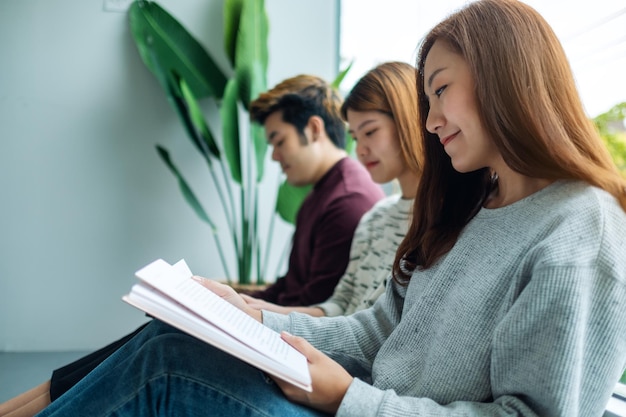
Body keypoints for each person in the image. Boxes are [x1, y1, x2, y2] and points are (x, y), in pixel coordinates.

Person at [24, 0, 626, 415]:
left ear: (509, 79)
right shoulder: (470, 208)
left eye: (440, 89)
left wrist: (349, 399)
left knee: (166, 366)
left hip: (358, 407)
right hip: (357, 402)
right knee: (172, 340)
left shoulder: (578, 230)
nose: (430, 119)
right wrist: (254, 319)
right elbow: (377, 328)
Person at [0, 75, 384, 417]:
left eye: (278, 141)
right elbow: (291, 290)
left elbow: (316, 311)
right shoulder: (325, 193)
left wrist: (237, 307)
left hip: (297, 355)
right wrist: (229, 295)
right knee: (165, 323)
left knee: (163, 343)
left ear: (314, 129)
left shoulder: (346, 200)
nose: (274, 156)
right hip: (284, 334)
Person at [243, 61, 422, 317]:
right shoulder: (374, 216)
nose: (360, 149)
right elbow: (336, 305)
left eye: (370, 132)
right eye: (357, 137)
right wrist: (242, 305)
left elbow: (364, 326)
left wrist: (259, 316)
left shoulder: (349, 201)